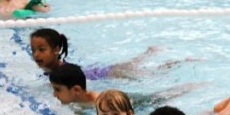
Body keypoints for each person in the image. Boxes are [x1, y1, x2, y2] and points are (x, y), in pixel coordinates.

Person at [30, 28, 183, 80]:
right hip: (100, 70)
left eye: (41, 50)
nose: (36, 55)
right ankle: (149, 52)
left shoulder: (60, 71)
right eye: (34, 50)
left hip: (107, 74)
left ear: (56, 50)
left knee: (151, 74)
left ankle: (176, 63)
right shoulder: (54, 68)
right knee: (133, 64)